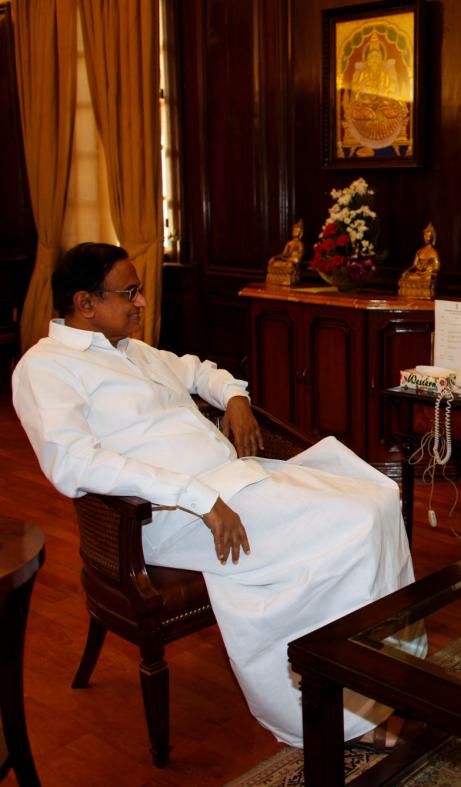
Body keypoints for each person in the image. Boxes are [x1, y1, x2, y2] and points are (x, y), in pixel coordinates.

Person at [11, 242, 418, 749]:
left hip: (233, 481)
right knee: (356, 524)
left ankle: (389, 669)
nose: (141, 303)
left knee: (379, 496)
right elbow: (73, 463)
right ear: (84, 303)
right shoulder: (45, 368)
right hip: (171, 515)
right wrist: (194, 495)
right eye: (129, 293)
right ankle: (339, 711)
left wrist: (236, 398)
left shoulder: (133, 351)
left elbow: (201, 370)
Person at [398, 223, 440, 300]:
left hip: (426, 275)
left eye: (428, 236)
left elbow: (436, 267)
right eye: (425, 235)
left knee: (427, 280)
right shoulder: (419, 251)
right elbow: (415, 265)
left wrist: (428, 271)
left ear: (432, 237)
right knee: (407, 277)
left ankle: (425, 292)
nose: (426, 238)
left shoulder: (434, 252)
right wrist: (406, 271)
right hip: (419, 274)